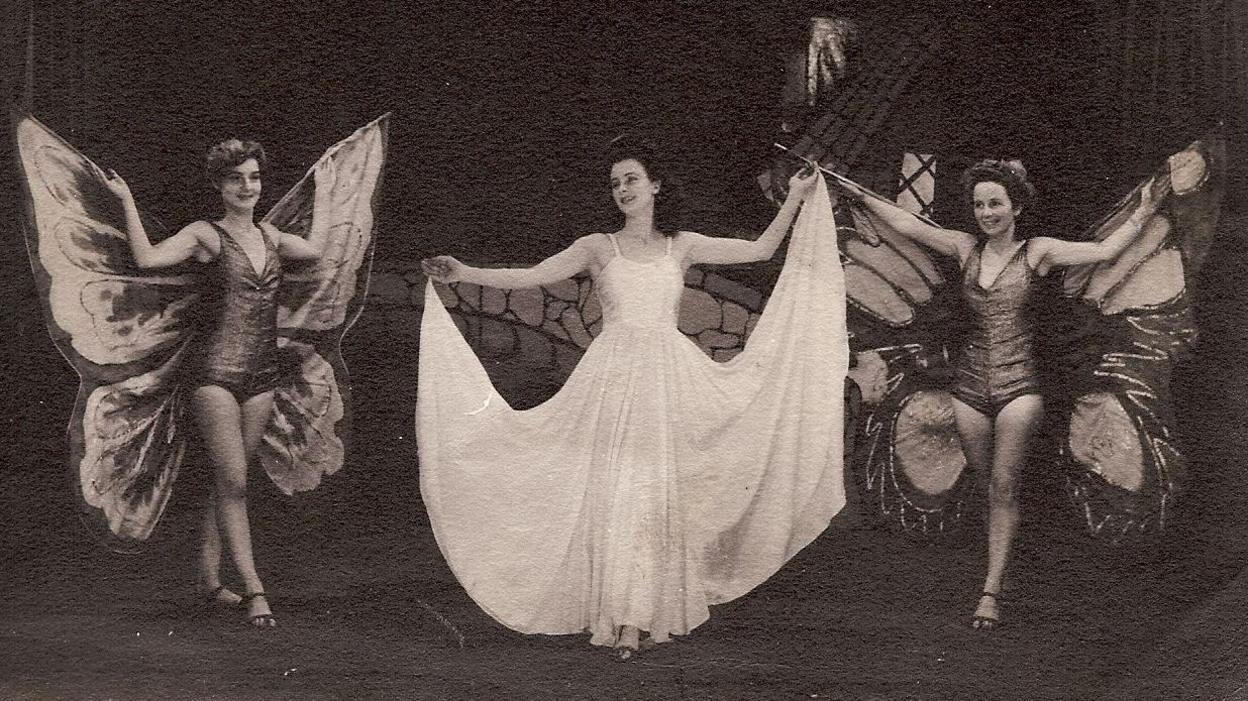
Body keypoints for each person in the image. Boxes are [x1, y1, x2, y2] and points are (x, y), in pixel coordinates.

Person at [417, 141, 850, 659]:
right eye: (616, 183)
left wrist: (796, 198)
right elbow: (530, 277)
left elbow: (760, 250)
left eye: (631, 179)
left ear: (656, 185)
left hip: (667, 378)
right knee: (620, 490)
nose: (622, 190)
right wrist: (464, 272)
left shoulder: (681, 245)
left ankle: (642, 613)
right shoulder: (598, 247)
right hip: (613, 380)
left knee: (655, 491)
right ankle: (622, 617)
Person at [844, 159, 1157, 628]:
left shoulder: (1039, 252)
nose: (986, 212)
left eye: (995, 203)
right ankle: (1007, 563)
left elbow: (1103, 250)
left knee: (1004, 485)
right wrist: (855, 190)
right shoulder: (964, 247)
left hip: (1021, 388)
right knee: (989, 485)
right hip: (968, 385)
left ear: (1015, 207)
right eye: (978, 205)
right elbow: (907, 224)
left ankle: (990, 591)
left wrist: (1145, 211)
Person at [100, 139, 335, 627]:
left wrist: (330, 190)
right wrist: (125, 201)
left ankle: (210, 581)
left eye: (254, 178)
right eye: (236, 179)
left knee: (228, 481)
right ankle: (255, 591)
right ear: (219, 186)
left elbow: (316, 249)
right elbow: (146, 259)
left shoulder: (272, 237)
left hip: (262, 374)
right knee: (234, 481)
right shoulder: (204, 235)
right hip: (214, 374)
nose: (247, 187)